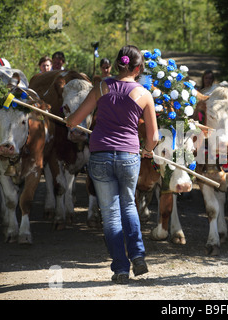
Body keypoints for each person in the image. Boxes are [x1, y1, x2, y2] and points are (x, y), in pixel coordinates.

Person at [66, 45, 159, 284]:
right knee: (129, 204)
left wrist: (68, 120)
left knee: (109, 214)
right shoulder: (144, 94)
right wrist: (148, 150)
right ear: (138, 68)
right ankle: (138, 255)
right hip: (129, 156)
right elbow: (153, 137)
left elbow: (75, 121)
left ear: (118, 64)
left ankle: (120, 268)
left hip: (100, 156)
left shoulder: (101, 87)